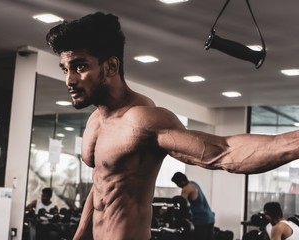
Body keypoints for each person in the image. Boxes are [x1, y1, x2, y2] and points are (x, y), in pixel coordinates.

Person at [46, 12, 299, 240]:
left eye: (80, 67)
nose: (69, 79)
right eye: (65, 69)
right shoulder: (95, 121)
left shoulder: (141, 121)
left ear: (111, 66)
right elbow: (101, 184)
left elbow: (225, 152)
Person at [171, 172, 215, 240]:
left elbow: (181, 204)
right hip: (210, 218)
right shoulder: (194, 183)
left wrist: (166, 211)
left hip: (201, 221)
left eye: (177, 184)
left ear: (182, 181)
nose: (178, 186)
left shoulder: (186, 188)